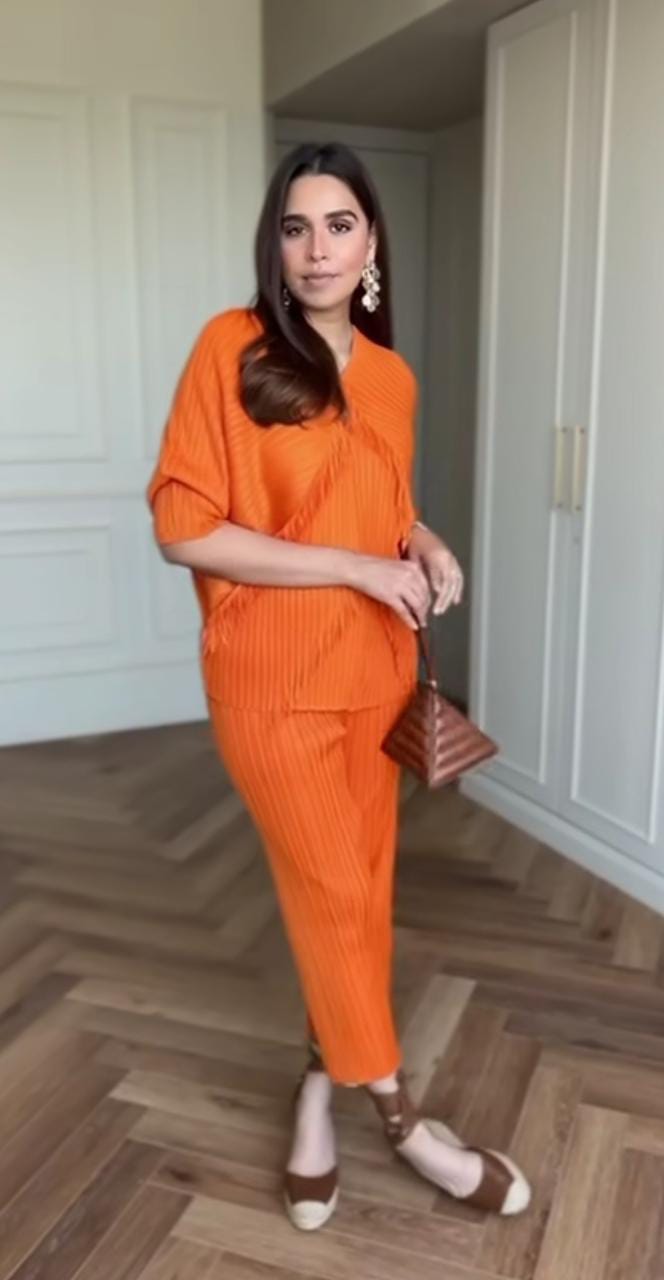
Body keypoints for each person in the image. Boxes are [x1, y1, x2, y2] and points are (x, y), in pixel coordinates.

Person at [147, 142, 530, 1231]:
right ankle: (404, 1120)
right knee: (330, 891)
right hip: (269, 681)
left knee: (360, 893)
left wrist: (423, 541)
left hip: (376, 675)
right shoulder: (230, 347)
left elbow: (381, 505)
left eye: (339, 225)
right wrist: (357, 568)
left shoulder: (392, 377)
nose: (317, 249)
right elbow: (184, 527)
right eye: (295, 227)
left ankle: (316, 1090)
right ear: (273, 243)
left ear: (371, 245)